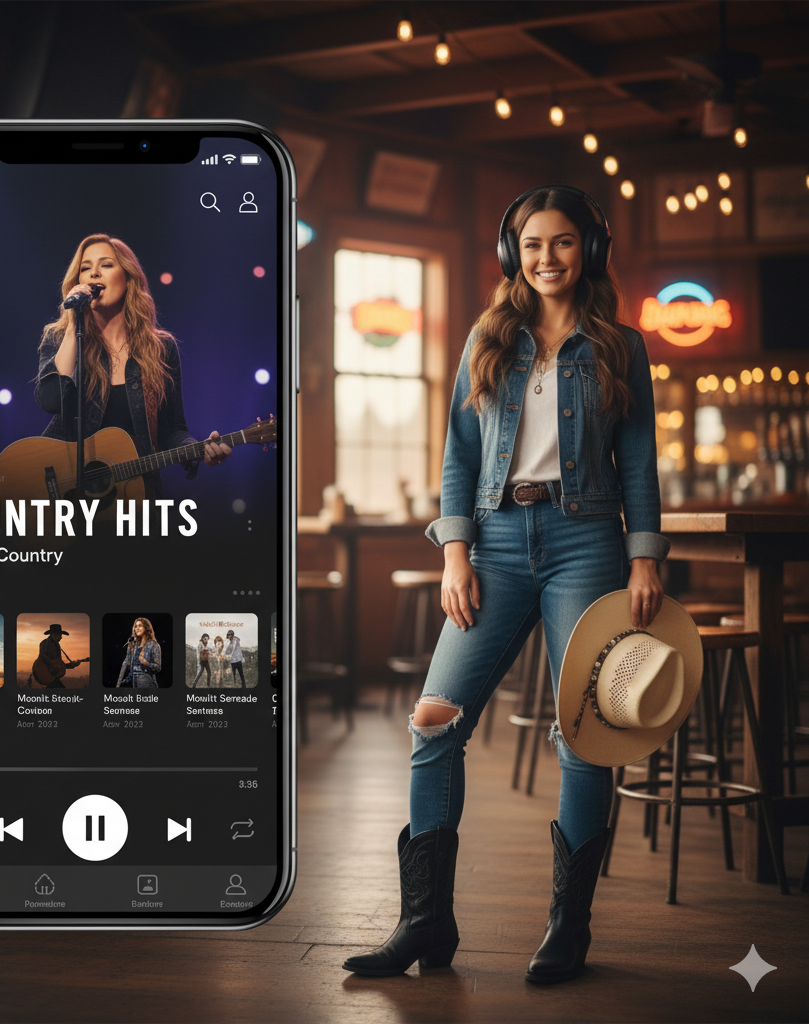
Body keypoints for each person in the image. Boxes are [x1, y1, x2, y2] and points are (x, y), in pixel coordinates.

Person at [342, 186, 668, 984]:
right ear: (510, 254)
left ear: (588, 249)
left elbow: (639, 462)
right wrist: (455, 552)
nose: (546, 258)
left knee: (583, 734)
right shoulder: (489, 338)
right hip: (490, 544)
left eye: (561, 243)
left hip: (585, 541)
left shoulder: (622, 347)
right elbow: (457, 454)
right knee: (433, 721)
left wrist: (644, 556)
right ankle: (423, 924)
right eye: (531, 244)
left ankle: (568, 928)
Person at [34, 234, 231, 498]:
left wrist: (196, 449)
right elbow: (50, 401)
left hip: (134, 498)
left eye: (105, 265)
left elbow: (172, 428)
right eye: (85, 268)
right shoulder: (60, 338)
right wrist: (73, 325)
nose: (93, 273)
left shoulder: (160, 349)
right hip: (68, 497)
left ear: (127, 279)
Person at [116, 617, 162, 689]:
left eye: (140, 626)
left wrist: (146, 663)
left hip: (146, 680)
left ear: (146, 628)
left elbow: (158, 667)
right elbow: (126, 664)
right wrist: (119, 683)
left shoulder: (154, 645)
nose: (137, 628)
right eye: (135, 626)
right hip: (133, 680)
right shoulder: (133, 645)